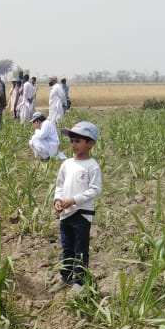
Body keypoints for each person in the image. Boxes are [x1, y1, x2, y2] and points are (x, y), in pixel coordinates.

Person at [53, 121, 102, 291]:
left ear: (90, 144)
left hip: (81, 214)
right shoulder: (67, 164)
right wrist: (57, 200)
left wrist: (75, 200)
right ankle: (65, 277)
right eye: (72, 141)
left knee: (80, 248)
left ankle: (80, 281)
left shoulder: (92, 166)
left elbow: (95, 189)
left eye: (78, 141)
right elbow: (59, 185)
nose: (74, 145)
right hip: (65, 214)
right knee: (67, 247)